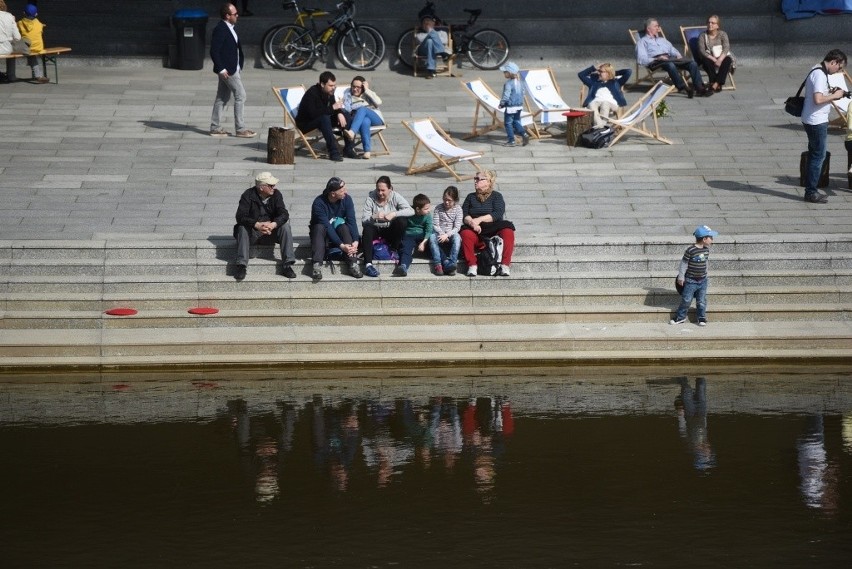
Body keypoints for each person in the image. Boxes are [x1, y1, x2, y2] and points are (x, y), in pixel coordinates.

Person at [801, 49, 848, 204]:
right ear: (833, 61)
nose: (838, 71)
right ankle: (811, 192)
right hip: (816, 120)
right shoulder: (820, 75)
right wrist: (835, 96)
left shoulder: (817, 69)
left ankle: (810, 188)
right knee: (818, 155)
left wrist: (831, 91)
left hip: (811, 118)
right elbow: (818, 99)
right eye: (839, 67)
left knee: (815, 153)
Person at [232, 172, 297, 281]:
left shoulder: (276, 194)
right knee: (242, 228)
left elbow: (284, 214)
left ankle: (287, 264)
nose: (274, 187)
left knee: (285, 227)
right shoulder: (248, 195)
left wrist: (273, 224)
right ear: (262, 187)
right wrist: (257, 225)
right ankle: (241, 265)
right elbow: (240, 216)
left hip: (270, 232)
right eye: (271, 185)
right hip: (253, 233)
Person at [209, 3, 256, 138]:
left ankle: (215, 127)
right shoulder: (221, 29)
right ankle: (240, 129)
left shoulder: (229, 28)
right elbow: (214, 51)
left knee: (222, 97)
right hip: (228, 70)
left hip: (232, 68)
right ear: (227, 16)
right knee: (241, 95)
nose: (237, 16)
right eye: (235, 14)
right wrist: (221, 68)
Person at [635, 17, 710, 98]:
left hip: (670, 59)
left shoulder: (662, 39)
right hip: (656, 62)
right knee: (670, 65)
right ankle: (683, 88)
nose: (658, 28)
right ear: (648, 29)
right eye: (656, 26)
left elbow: (672, 49)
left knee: (692, 63)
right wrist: (657, 58)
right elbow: (641, 59)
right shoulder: (642, 42)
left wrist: (677, 54)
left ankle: (699, 88)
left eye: (658, 26)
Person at [460, 170, 515, 277]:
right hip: (476, 230)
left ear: (489, 182)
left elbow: (498, 213)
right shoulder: (470, 197)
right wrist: (472, 223)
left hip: (493, 228)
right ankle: (472, 265)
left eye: (479, 179)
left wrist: (479, 219)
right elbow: (464, 214)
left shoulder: (496, 196)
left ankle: (505, 265)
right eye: (475, 179)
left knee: (508, 230)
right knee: (465, 233)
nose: (476, 181)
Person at [296, 70, 357, 162]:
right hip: (306, 124)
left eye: (334, 85)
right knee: (324, 118)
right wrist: (333, 107)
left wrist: (339, 112)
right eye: (331, 85)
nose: (333, 88)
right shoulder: (312, 93)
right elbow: (313, 114)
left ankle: (348, 149)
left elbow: (333, 105)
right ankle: (333, 152)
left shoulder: (329, 92)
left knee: (346, 115)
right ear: (322, 84)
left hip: (321, 120)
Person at [309, 177, 362, 280]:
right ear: (333, 194)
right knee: (319, 227)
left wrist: (355, 240)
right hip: (322, 235)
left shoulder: (347, 199)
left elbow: (352, 221)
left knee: (344, 227)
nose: (345, 192)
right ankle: (317, 265)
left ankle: (352, 263)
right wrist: (341, 246)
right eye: (342, 191)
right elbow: (327, 227)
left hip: (339, 232)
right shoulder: (318, 203)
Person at [361, 175, 413, 278]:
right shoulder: (370, 198)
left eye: (383, 190)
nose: (380, 193)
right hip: (376, 229)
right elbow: (363, 220)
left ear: (390, 189)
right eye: (378, 190)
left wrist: (394, 214)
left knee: (401, 220)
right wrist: (373, 216)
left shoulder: (395, 196)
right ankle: (368, 265)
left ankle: (394, 249)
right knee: (367, 228)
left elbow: (411, 211)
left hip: (390, 230)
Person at [671, 225, 718, 326]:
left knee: (701, 300)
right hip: (691, 280)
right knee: (686, 300)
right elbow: (684, 264)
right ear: (704, 239)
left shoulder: (706, 250)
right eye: (711, 238)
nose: (712, 240)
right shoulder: (690, 250)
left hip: (703, 280)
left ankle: (701, 318)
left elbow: (705, 262)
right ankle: (680, 317)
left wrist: (705, 273)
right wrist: (681, 277)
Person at [341, 75, 384, 160]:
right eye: (353, 86)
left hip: (376, 118)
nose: (355, 89)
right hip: (360, 119)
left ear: (363, 87)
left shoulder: (367, 93)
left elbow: (379, 102)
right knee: (365, 121)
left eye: (358, 87)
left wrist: (367, 90)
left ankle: (352, 132)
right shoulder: (348, 94)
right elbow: (347, 109)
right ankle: (367, 151)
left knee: (362, 109)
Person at [578, 63, 632, 127]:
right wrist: (594, 68)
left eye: (601, 72)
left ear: (608, 73)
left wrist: (613, 73)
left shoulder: (616, 82)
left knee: (605, 103)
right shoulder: (593, 82)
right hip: (596, 102)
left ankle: (600, 126)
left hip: (611, 104)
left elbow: (628, 71)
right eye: (599, 71)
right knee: (591, 104)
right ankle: (601, 126)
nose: (599, 73)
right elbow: (581, 75)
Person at [394, 194, 432, 277]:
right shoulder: (409, 212)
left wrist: (424, 242)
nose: (429, 210)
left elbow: (429, 230)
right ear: (418, 209)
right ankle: (403, 266)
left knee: (433, 244)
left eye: (429, 208)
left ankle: (445, 262)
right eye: (426, 209)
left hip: (422, 235)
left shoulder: (427, 215)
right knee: (406, 249)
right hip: (409, 235)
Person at [429, 185, 463, 276]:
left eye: (449, 200)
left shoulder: (458, 209)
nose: (446, 202)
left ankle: (452, 263)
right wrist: (442, 234)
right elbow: (435, 224)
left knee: (457, 238)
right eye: (445, 199)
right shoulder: (438, 208)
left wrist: (447, 235)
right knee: (432, 237)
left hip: (451, 233)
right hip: (439, 233)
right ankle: (438, 264)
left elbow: (457, 227)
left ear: (455, 200)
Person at [698, 15, 735, 93]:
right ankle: (715, 84)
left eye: (713, 23)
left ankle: (715, 84)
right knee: (706, 61)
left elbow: (726, 48)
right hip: (709, 57)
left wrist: (720, 60)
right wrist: (714, 59)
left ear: (717, 25)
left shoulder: (723, 34)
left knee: (728, 60)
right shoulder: (702, 35)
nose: (710, 24)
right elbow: (702, 51)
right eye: (708, 22)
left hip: (721, 56)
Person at [498, 62, 529, 147]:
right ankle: (524, 134)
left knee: (508, 123)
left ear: (510, 73)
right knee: (516, 121)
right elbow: (523, 93)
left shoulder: (508, 83)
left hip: (511, 107)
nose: (504, 73)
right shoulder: (521, 82)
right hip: (519, 106)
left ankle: (511, 141)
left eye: (505, 72)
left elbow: (506, 95)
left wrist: (502, 103)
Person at [16, 4, 47, 84]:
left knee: (16, 48)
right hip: (39, 47)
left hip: (28, 48)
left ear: (24, 13)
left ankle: (10, 75)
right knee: (30, 51)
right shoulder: (39, 24)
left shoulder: (20, 23)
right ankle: (37, 75)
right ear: (36, 14)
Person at [415, 14, 449, 79]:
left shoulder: (442, 32)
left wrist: (433, 35)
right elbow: (421, 41)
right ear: (422, 25)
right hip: (423, 50)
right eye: (424, 22)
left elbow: (445, 41)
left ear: (433, 23)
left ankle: (430, 70)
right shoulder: (419, 34)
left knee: (430, 41)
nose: (427, 23)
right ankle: (442, 53)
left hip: (433, 50)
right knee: (429, 40)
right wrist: (430, 32)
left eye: (429, 21)